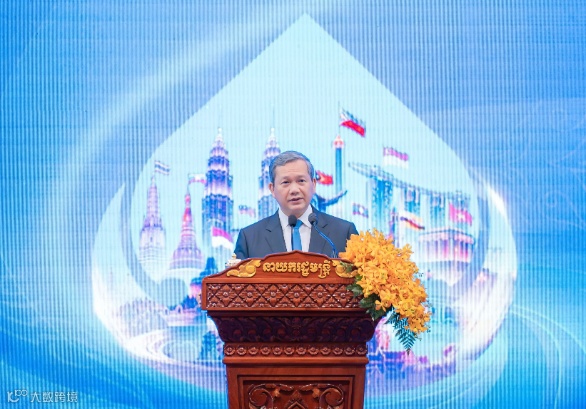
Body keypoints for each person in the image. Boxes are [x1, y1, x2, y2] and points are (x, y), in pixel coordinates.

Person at [234, 151, 358, 259]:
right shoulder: (249, 238)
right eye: (286, 182)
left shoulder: (344, 232)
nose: (294, 190)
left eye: (301, 181)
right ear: (272, 189)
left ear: (314, 184)